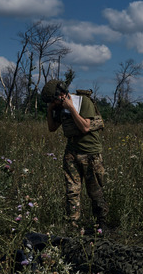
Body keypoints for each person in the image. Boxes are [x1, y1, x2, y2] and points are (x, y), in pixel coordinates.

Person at [42, 80, 109, 234]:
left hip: (90, 153)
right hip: (71, 153)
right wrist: (50, 109)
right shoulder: (59, 107)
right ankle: (73, 227)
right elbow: (52, 128)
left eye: (54, 100)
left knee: (95, 191)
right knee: (72, 191)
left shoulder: (82, 101)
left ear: (63, 94)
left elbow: (85, 127)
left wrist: (71, 108)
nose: (54, 103)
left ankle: (101, 225)